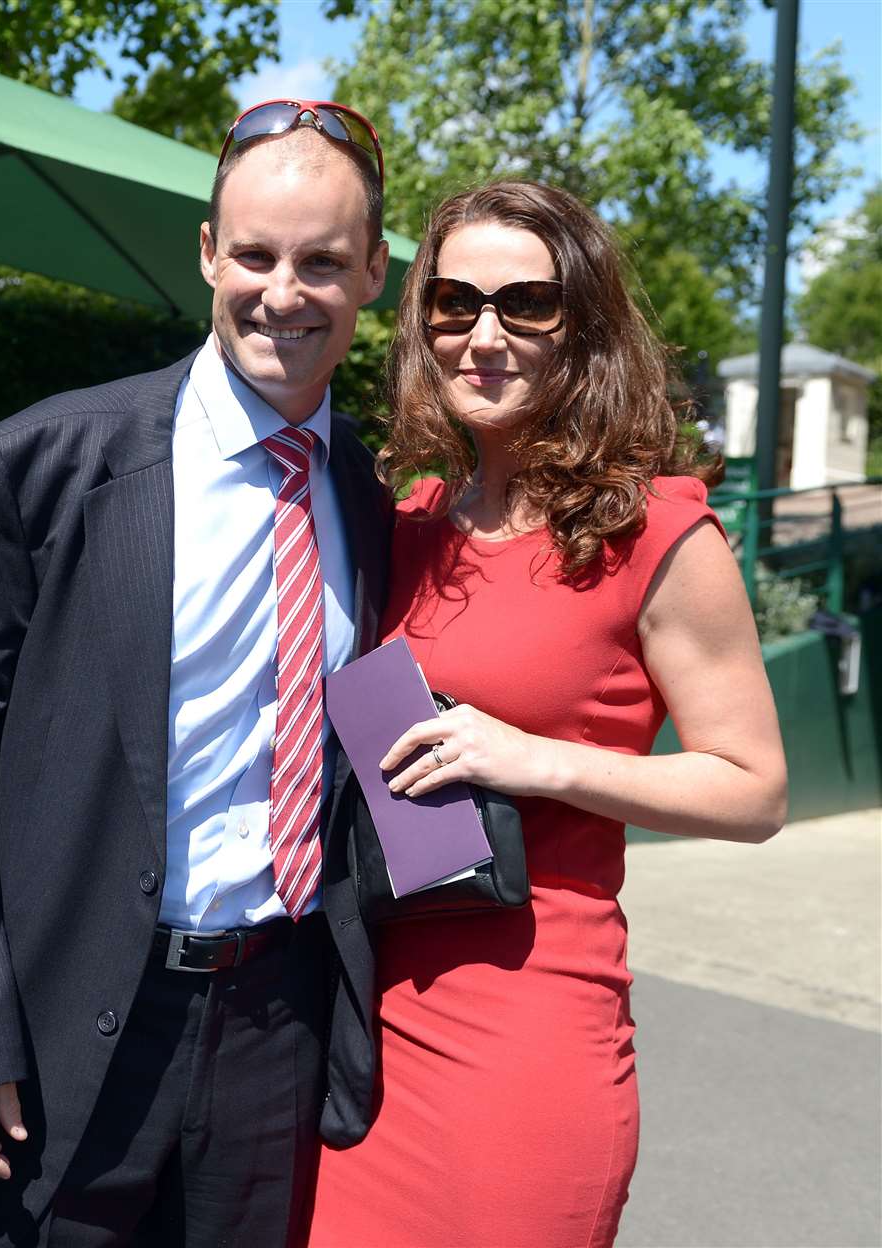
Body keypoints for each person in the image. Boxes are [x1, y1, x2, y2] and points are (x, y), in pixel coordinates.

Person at [0, 99, 392, 1247]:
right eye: (256, 255)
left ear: (374, 271)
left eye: (324, 260)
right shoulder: (36, 467)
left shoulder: (370, 503)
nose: (285, 292)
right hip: (50, 1022)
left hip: (274, 1030)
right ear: (206, 255)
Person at [305, 181, 788, 1248]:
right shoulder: (408, 523)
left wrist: (538, 758)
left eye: (526, 303)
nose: (484, 335)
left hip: (526, 1034)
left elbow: (755, 791)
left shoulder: (656, 532)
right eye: (453, 302)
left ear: (584, 327)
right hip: (363, 1020)